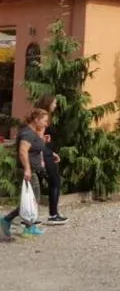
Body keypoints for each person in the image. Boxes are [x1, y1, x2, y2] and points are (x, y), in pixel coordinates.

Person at [0, 108, 50, 238]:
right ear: (36, 119)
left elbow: (35, 147)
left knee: (30, 201)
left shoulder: (32, 132)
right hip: (28, 170)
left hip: (31, 169)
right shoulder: (28, 133)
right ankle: (26, 226)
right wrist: (27, 169)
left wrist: (43, 141)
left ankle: (9, 221)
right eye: (44, 121)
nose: (46, 124)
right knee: (34, 200)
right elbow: (23, 151)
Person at [34, 94, 68, 225]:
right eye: (54, 103)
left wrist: (52, 152)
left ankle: (31, 216)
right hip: (43, 155)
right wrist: (44, 155)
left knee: (40, 185)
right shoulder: (43, 119)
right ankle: (53, 215)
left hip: (46, 153)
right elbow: (38, 140)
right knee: (55, 182)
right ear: (48, 103)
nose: (55, 105)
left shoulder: (42, 117)